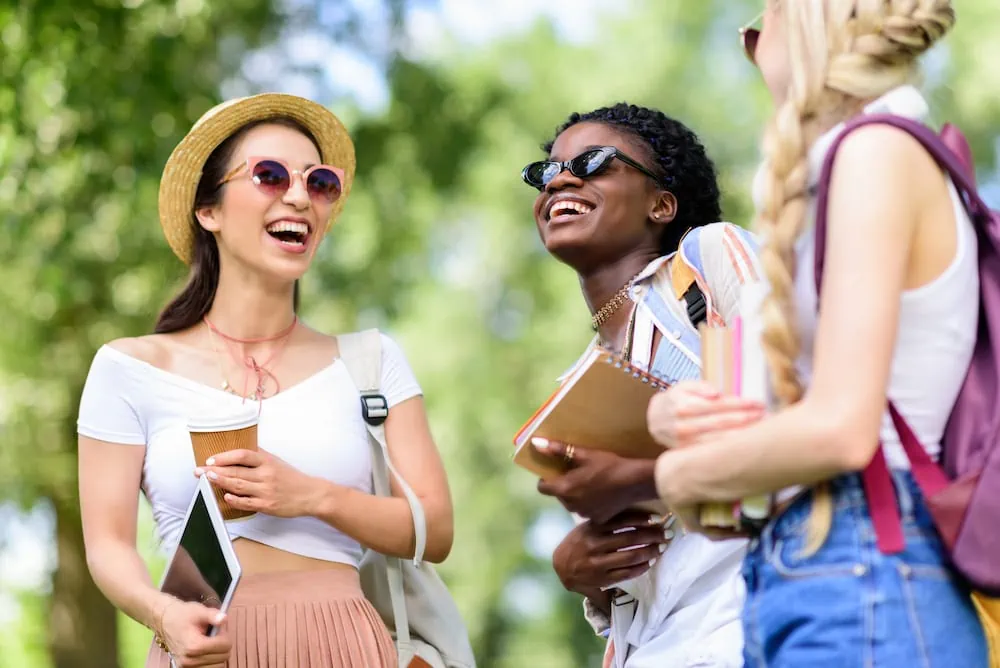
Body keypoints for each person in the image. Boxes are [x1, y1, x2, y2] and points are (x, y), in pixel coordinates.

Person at [647, 2, 989, 666]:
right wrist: (681, 416)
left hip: (864, 573)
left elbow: (840, 428)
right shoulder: (857, 160)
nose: (752, 43)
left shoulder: (874, 153)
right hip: (822, 576)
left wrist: (679, 473)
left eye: (762, 19)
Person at [77, 93, 454, 668]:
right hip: (204, 647)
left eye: (319, 182)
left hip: (345, 646)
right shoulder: (129, 369)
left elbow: (436, 529)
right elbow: (106, 546)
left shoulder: (370, 364)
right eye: (270, 176)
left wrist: (312, 496)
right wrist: (162, 613)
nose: (300, 197)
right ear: (210, 211)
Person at [521, 102, 764, 667]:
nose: (560, 178)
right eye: (545, 171)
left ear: (662, 204)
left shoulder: (708, 262)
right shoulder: (581, 385)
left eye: (594, 161)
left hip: (758, 622)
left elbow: (812, 398)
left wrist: (642, 477)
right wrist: (582, 574)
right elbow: (648, 563)